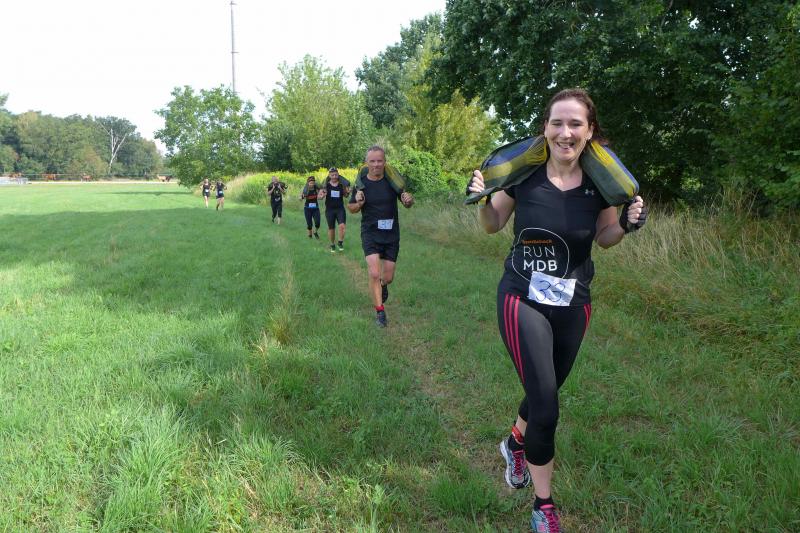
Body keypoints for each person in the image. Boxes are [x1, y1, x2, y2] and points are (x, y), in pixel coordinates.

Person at [466, 88, 647, 532]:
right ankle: (543, 505)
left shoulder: (600, 183)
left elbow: (605, 238)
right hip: (521, 297)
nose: (565, 133)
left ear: (589, 131)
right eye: (557, 123)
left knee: (543, 390)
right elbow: (492, 225)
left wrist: (626, 224)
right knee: (546, 406)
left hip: (573, 303)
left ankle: (515, 442)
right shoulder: (523, 175)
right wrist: (482, 199)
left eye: (575, 124)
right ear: (545, 128)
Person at [348, 146, 414, 327]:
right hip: (370, 233)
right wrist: (359, 204)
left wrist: (409, 201)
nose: (376, 164)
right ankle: (380, 312)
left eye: (379, 161)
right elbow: (351, 208)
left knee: (388, 277)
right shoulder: (361, 185)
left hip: (391, 234)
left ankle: (383, 285)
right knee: (375, 273)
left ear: (384, 162)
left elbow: (407, 202)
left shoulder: (392, 181)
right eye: (372, 161)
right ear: (367, 163)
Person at [317, 167, 350, 252]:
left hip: (340, 209)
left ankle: (340, 242)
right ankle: (332, 244)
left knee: (342, 226)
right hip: (330, 210)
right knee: (331, 228)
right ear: (329, 175)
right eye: (332, 175)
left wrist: (348, 192)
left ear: (338, 174)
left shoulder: (341, 185)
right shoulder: (326, 186)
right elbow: (319, 197)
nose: (334, 176)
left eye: (336, 175)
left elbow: (346, 195)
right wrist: (321, 196)